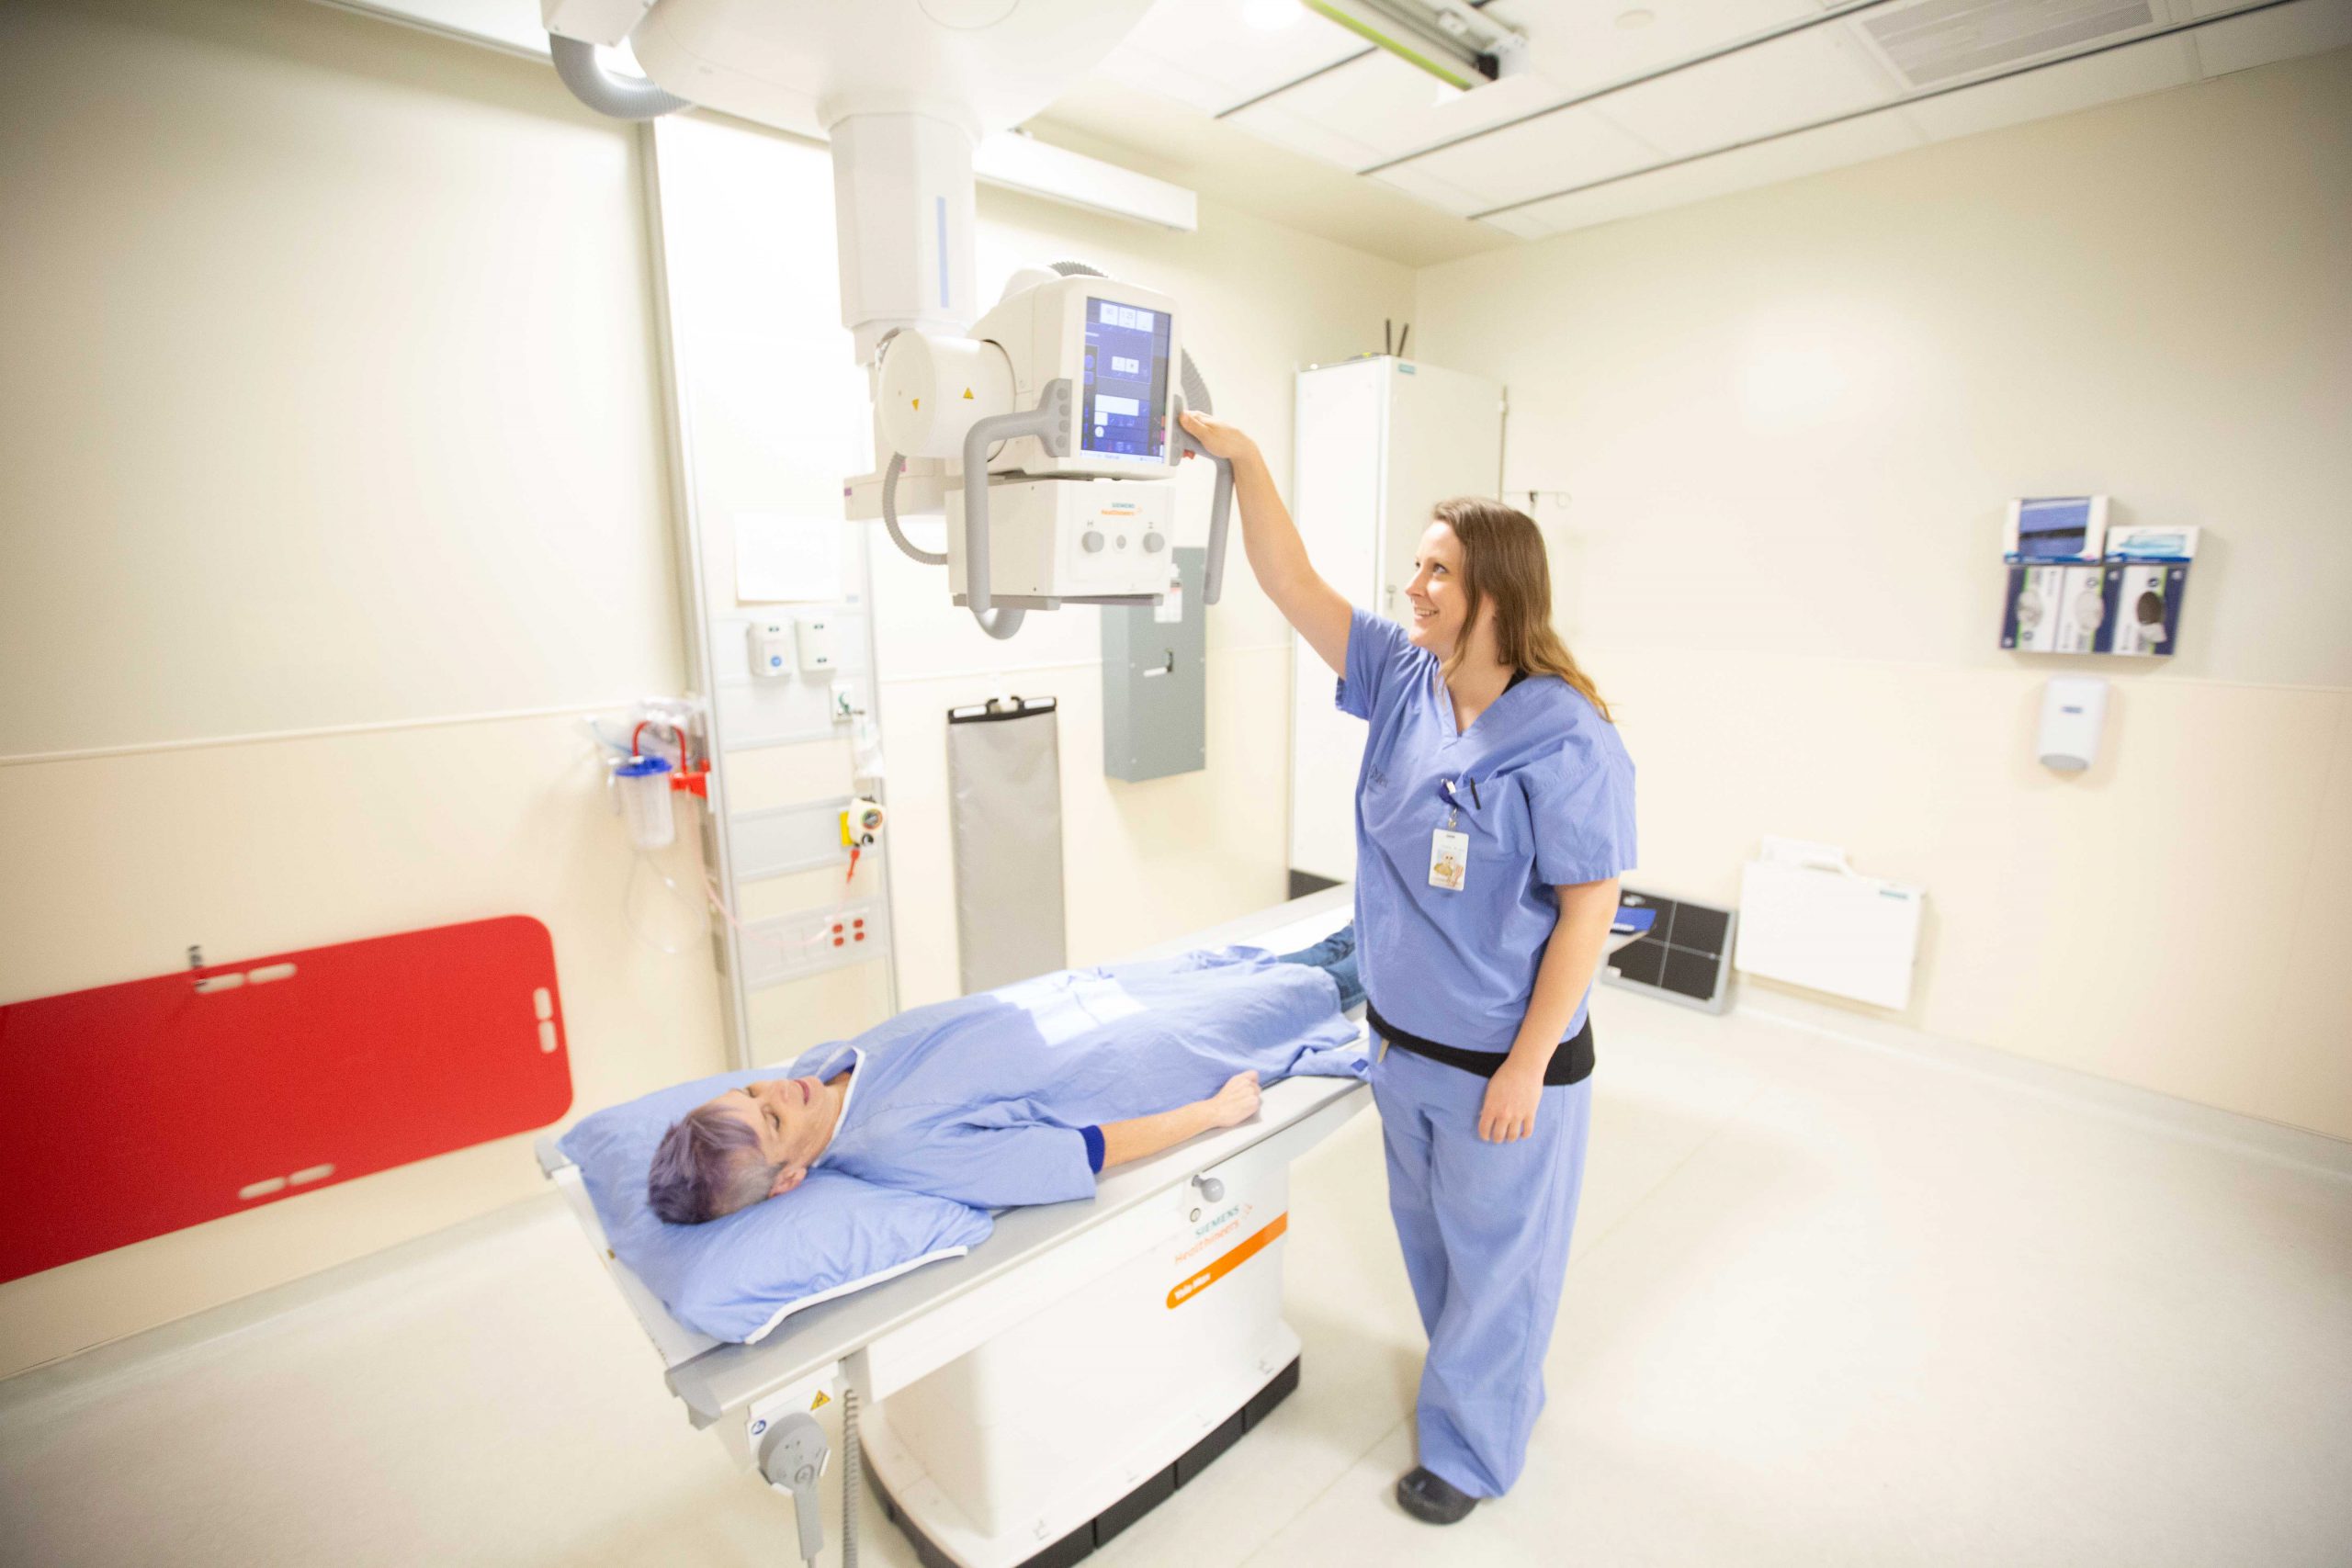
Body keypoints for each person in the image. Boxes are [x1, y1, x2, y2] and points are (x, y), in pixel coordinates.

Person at [1180, 408, 1636, 1526]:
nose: (1415, 588)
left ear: (1498, 595)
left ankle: (1475, 1453)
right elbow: (1290, 583)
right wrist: (1243, 462)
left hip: (1501, 1063)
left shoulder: (1565, 735)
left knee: (1500, 1272)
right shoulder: (1398, 679)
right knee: (1435, 1251)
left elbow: (1589, 911)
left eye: (1438, 571)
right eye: (1415, 568)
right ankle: (1475, 1391)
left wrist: (1528, 1066)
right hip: (1403, 1045)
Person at [646, 939, 1367, 1225]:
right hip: (1154, 1047)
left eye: (749, 1093)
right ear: (788, 1179)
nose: (775, 1092)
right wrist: (1209, 1114)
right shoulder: (902, 1145)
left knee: (1300, 956)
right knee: (1324, 984)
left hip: (1121, 991)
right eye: (769, 1121)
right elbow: (1081, 1149)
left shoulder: (821, 1065)